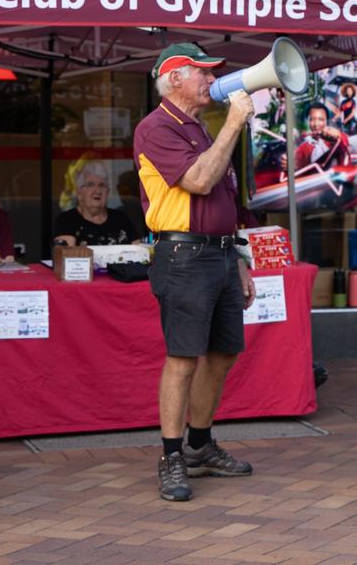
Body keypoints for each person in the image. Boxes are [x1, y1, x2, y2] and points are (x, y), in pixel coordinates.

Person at [133, 42, 257, 502]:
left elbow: (224, 201)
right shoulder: (156, 128)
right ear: (175, 78)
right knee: (184, 357)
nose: (211, 79)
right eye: (202, 72)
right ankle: (171, 456)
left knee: (222, 353)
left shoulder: (201, 129)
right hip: (184, 256)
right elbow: (199, 182)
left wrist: (240, 259)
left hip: (221, 255)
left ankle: (200, 446)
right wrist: (234, 123)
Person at [54, 161, 141, 246]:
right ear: (79, 193)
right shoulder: (67, 221)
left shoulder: (121, 219)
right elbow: (67, 256)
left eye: (102, 185)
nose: (97, 191)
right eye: (90, 185)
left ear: (107, 192)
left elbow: (139, 251)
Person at [292, 103, 350, 171]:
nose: (316, 124)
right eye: (312, 119)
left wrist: (337, 135)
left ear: (327, 121)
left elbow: (344, 140)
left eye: (321, 119)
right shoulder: (302, 141)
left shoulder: (334, 138)